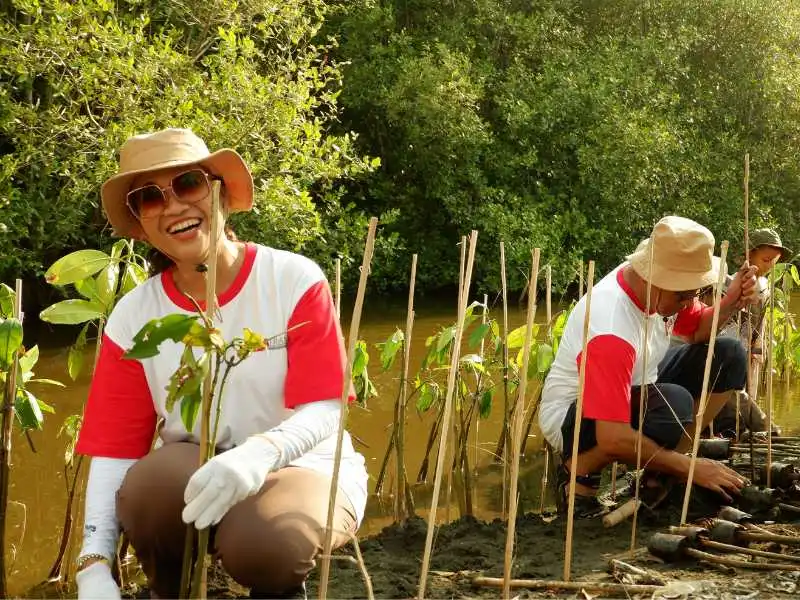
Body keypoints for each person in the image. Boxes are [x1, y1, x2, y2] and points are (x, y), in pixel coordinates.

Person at [73, 128, 368, 599]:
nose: (172, 206)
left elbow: (327, 406)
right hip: (194, 470)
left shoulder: (291, 279)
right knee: (148, 490)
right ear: (140, 222)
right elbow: (114, 449)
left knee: (267, 543)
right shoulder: (134, 314)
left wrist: (260, 453)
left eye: (188, 184)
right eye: (150, 198)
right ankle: (170, 591)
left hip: (301, 468)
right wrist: (93, 563)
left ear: (222, 192)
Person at [539, 215, 758, 517]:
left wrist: (732, 301)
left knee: (729, 354)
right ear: (653, 277)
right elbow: (611, 436)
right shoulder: (611, 328)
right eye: (684, 294)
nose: (689, 302)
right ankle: (578, 475)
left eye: (693, 293)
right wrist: (694, 469)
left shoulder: (659, 292)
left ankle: (660, 472)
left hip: (637, 383)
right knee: (673, 405)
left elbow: (697, 331)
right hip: (575, 416)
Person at [714, 228, 791, 438]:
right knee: (732, 396)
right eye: (765, 260)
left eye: (772, 262)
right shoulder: (734, 283)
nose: (768, 267)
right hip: (734, 348)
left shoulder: (764, 285)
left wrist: (756, 349)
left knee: (748, 393)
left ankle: (746, 435)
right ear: (749, 254)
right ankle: (748, 433)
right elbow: (726, 326)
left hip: (752, 351)